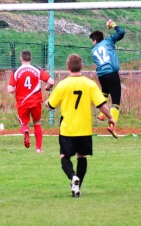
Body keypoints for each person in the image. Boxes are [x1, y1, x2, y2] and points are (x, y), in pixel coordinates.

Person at [45, 54, 115, 197]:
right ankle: (78, 186)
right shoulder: (90, 84)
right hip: (84, 128)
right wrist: (110, 117)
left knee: (64, 156)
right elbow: (101, 105)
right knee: (82, 157)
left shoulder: (63, 84)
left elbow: (51, 105)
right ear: (82, 67)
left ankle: (72, 177)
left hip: (67, 129)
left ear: (68, 67)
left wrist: (45, 102)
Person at [7, 50, 54, 153]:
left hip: (22, 102)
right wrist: (47, 87)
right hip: (36, 102)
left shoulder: (16, 71)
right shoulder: (37, 70)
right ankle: (38, 148)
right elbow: (51, 81)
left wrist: (16, 89)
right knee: (37, 123)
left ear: (21, 59)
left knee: (24, 124)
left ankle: (26, 132)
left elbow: (10, 89)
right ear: (31, 58)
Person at [89, 19, 125, 138]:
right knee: (116, 101)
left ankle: (102, 114)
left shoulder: (93, 50)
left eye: (92, 41)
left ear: (95, 40)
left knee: (105, 91)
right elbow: (121, 32)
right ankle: (112, 126)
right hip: (112, 73)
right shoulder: (108, 41)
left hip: (101, 75)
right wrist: (113, 25)